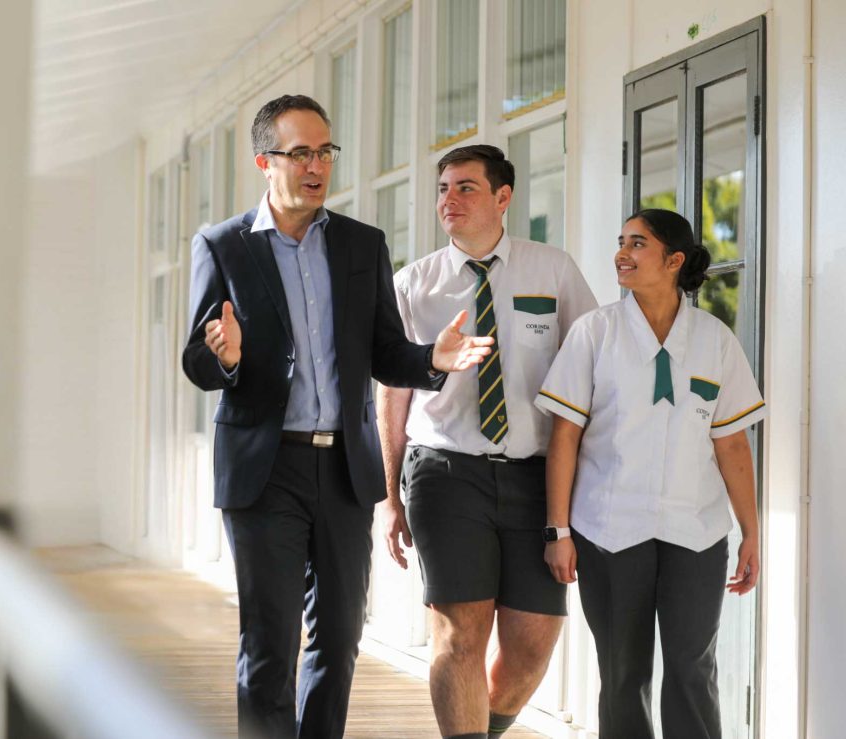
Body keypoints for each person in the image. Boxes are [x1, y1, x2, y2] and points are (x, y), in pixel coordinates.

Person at [182, 94, 493, 739]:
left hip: (345, 473)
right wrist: (227, 358)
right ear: (265, 162)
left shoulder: (360, 244)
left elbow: (384, 352)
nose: (316, 165)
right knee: (269, 644)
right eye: (301, 153)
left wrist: (429, 360)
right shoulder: (222, 246)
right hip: (263, 472)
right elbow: (197, 359)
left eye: (325, 151)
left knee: (339, 641)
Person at [377, 144, 598, 739]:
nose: (449, 199)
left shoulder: (553, 271)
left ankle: (485, 729)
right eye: (443, 188)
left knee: (530, 647)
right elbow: (393, 394)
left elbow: (591, 375)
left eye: (465, 187)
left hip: (536, 478)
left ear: (503, 197)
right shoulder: (413, 284)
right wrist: (391, 494)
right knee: (459, 636)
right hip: (446, 474)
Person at [535, 208, 766, 738]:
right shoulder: (595, 333)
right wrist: (558, 531)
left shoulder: (716, 341)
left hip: (698, 532)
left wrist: (751, 531)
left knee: (691, 668)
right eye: (621, 241)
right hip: (608, 530)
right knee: (623, 672)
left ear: (673, 260)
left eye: (637, 244)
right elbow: (564, 438)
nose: (622, 253)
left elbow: (731, 443)